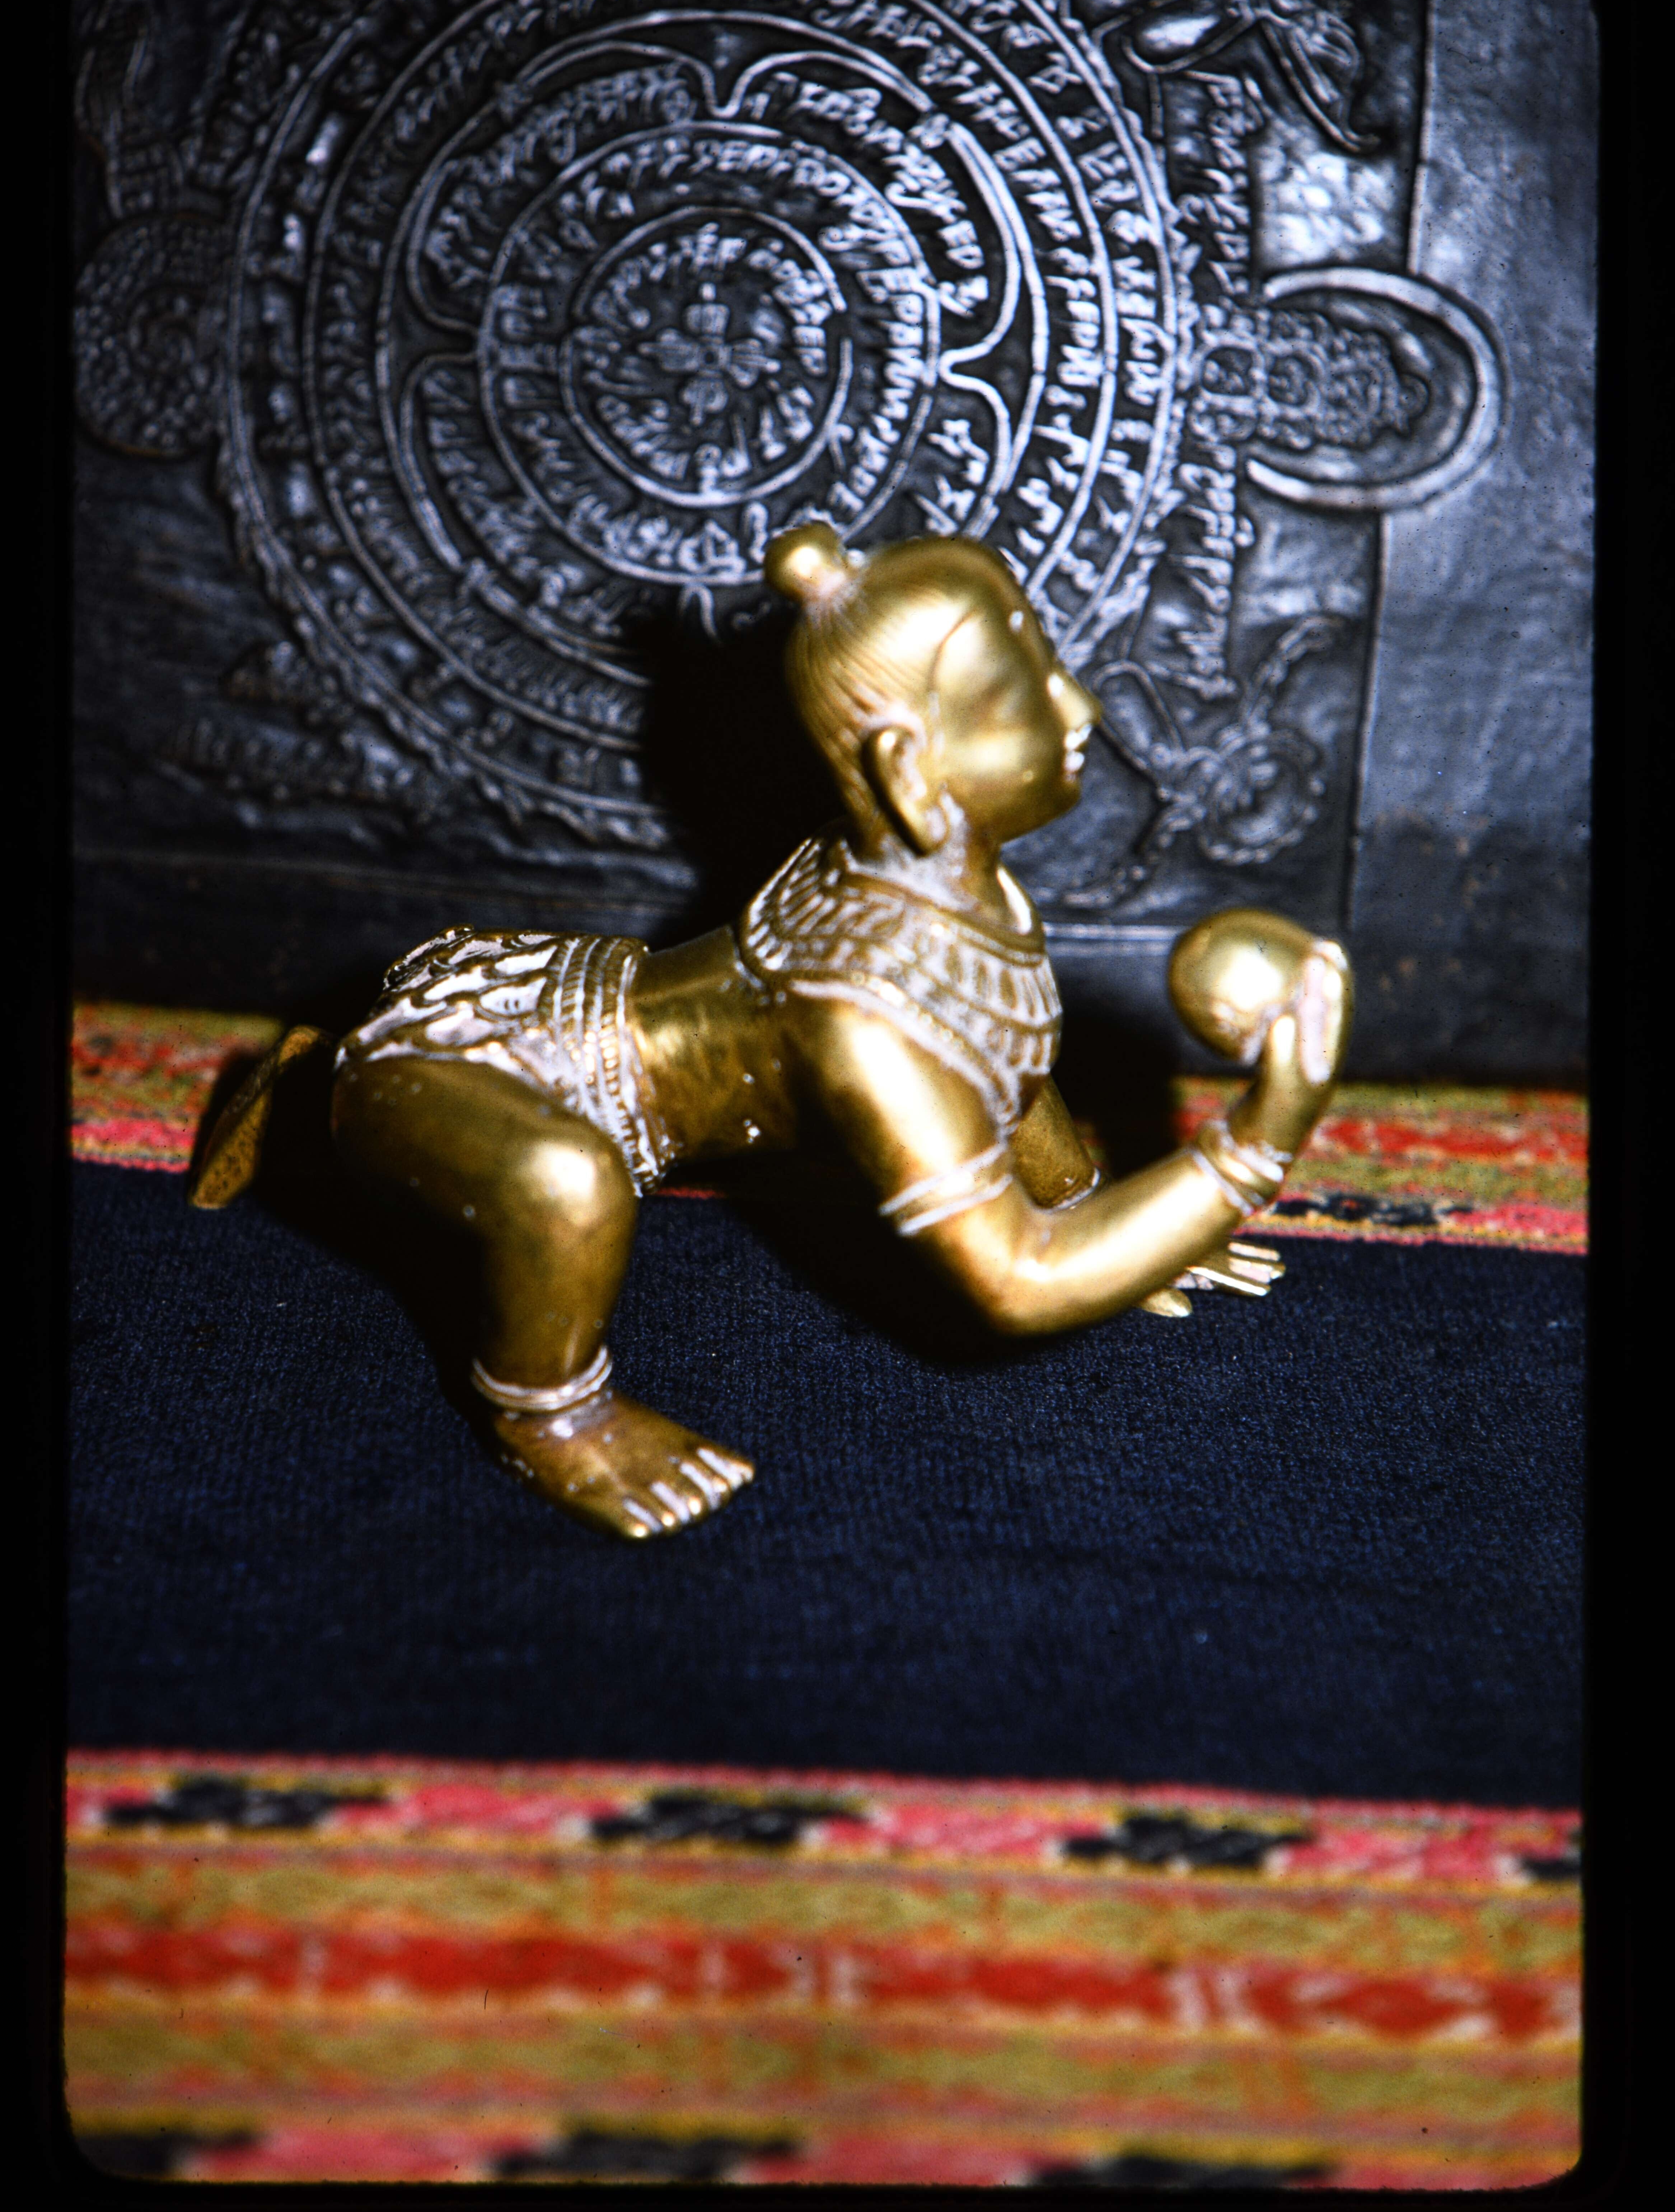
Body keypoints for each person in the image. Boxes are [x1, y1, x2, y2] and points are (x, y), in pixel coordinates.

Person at [319, 522, 1351, 1539]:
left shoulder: (923, 890)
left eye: (1049, 667)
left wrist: (1112, 1222)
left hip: (538, 991)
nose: (1079, 707)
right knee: (569, 1186)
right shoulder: (862, 1023)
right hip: (459, 1061)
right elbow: (1018, 1279)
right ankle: (551, 1419)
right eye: (1022, 697)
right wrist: (1252, 1147)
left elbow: (1004, 1062)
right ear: (908, 774)